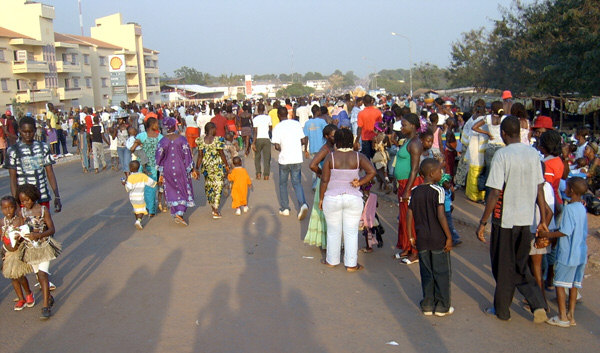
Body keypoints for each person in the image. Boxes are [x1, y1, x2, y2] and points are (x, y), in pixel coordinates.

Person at [476, 116, 549, 323]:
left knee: (502, 265)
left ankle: (502, 310)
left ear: (504, 134)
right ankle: (538, 304)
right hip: (525, 219)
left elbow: (494, 193)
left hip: (505, 219)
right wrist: (542, 218)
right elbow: (539, 189)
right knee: (519, 264)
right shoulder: (533, 155)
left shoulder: (502, 155)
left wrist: (483, 222)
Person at [319, 128, 376, 271]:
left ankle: (331, 260)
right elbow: (372, 172)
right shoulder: (358, 156)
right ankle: (351, 264)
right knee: (351, 232)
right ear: (351, 141)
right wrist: (360, 182)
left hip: (332, 198)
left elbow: (324, 180)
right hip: (353, 198)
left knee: (333, 230)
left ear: (336, 141)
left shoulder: (330, 157)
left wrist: (321, 198)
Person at [537, 177, 588, 327]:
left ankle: (562, 316)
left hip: (568, 253)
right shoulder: (581, 208)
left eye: (566, 187)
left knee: (560, 285)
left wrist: (547, 235)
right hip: (580, 253)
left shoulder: (569, 209)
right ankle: (571, 316)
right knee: (573, 285)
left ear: (571, 190)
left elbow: (565, 231)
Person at [407, 158, 454, 316]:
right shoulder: (438, 190)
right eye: (439, 171)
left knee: (426, 271)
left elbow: (409, 214)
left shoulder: (415, 191)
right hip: (437, 239)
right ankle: (442, 305)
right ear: (432, 173)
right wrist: (449, 236)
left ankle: (427, 303)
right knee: (441, 272)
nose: (441, 174)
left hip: (422, 239)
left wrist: (410, 235)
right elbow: (441, 216)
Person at [18, 184, 60, 320]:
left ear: (34, 197)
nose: (25, 203)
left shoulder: (43, 210)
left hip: (44, 246)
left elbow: (52, 229)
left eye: (27, 200)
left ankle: (46, 305)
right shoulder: (22, 213)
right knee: (38, 275)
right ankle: (49, 296)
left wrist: (38, 235)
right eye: (22, 201)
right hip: (31, 249)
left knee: (43, 274)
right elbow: (21, 229)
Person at [4, 116, 62, 213]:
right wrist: (16, 202)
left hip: (42, 196)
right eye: (24, 131)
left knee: (45, 226)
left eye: (30, 131)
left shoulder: (43, 147)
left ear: (35, 130)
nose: (27, 134)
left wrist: (57, 196)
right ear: (19, 130)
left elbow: (50, 173)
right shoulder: (13, 151)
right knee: (26, 228)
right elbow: (13, 179)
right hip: (23, 200)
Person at [395, 113, 424, 265]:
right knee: (403, 217)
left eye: (404, 125)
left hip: (410, 184)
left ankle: (415, 251)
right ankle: (406, 246)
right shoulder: (408, 140)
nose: (401, 127)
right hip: (403, 183)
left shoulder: (415, 143)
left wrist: (408, 189)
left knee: (410, 218)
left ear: (413, 126)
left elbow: (415, 169)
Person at [155, 118, 196, 226]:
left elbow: (159, 157)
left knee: (171, 189)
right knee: (182, 188)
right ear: (174, 126)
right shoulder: (182, 139)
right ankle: (180, 213)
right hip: (180, 167)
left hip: (167, 168)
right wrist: (191, 168)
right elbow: (187, 154)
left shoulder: (162, 141)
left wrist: (160, 171)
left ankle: (175, 211)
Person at [271, 106, 309, 220]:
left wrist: (282, 147)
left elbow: (276, 145)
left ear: (278, 115)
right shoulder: (296, 124)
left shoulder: (277, 127)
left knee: (283, 184)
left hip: (284, 159)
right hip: (296, 157)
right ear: (287, 114)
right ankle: (302, 204)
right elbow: (303, 140)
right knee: (297, 183)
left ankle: (285, 208)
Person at [305, 124, 338, 249]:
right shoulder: (325, 149)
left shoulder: (334, 148)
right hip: (325, 183)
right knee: (324, 211)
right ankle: (326, 242)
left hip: (331, 182)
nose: (336, 138)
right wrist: (321, 174)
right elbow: (313, 164)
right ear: (326, 136)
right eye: (333, 136)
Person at [1, 195, 34, 311]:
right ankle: (21, 298)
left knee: (20, 276)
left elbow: (25, 235)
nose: (8, 210)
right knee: (12, 277)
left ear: (15, 208)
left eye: (10, 207)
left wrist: (19, 237)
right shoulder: (2, 222)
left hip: (18, 252)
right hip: (8, 253)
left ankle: (28, 293)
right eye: (5, 208)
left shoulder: (19, 220)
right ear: (1, 209)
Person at [130, 117, 163, 216]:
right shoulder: (159, 137)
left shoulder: (142, 136)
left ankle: (146, 208)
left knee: (144, 187)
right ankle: (150, 210)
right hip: (151, 165)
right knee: (151, 187)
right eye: (156, 123)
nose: (158, 125)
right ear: (152, 125)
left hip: (144, 164)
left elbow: (132, 149)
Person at [196, 122, 230, 219]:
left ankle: (213, 207)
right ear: (212, 129)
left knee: (209, 188)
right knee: (218, 187)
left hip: (206, 168)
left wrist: (196, 168)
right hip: (217, 167)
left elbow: (199, 156)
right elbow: (221, 154)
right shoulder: (218, 140)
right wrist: (226, 166)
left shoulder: (200, 141)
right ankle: (215, 210)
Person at [123, 160, 157, 230]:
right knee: (142, 210)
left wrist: (124, 184)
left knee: (136, 209)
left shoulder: (130, 177)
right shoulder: (142, 176)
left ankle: (137, 220)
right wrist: (157, 183)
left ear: (130, 169)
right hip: (140, 196)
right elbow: (152, 183)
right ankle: (138, 221)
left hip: (132, 197)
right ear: (139, 168)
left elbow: (128, 188)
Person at [303, 109, 328, 190]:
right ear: (318, 112)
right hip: (322, 148)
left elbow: (306, 137)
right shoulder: (322, 122)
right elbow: (327, 132)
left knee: (314, 167)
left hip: (312, 148)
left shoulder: (307, 123)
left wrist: (306, 149)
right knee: (323, 167)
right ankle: (321, 184)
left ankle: (315, 185)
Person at [439, 173, 461, 246]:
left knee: (449, 225)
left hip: (447, 211)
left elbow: (452, 199)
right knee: (447, 225)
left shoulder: (449, 191)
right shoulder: (441, 191)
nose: (449, 185)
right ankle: (452, 238)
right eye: (447, 183)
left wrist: (453, 192)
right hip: (443, 211)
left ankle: (454, 238)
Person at [252, 103, 272, 180]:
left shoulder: (255, 119)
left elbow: (255, 132)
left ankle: (258, 174)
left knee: (257, 157)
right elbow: (270, 128)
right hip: (266, 138)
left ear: (257, 110)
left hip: (258, 139)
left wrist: (253, 142)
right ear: (264, 109)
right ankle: (266, 175)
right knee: (267, 158)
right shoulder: (268, 118)